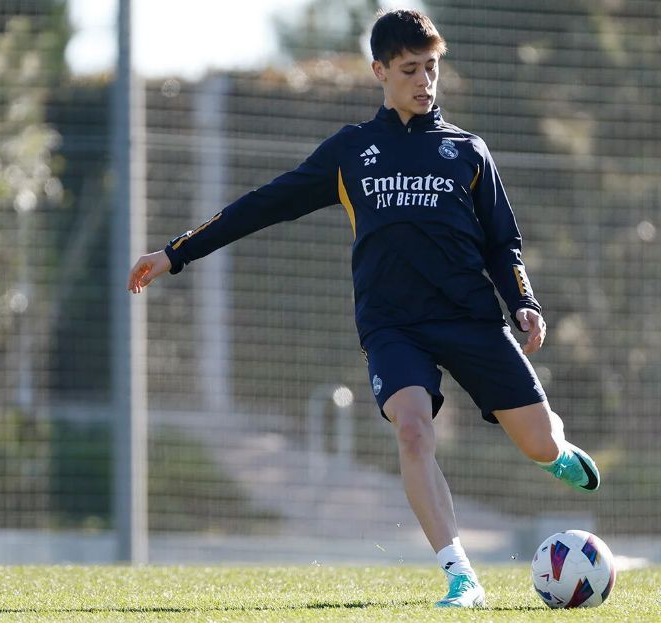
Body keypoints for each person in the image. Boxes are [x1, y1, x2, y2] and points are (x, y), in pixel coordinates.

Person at [127, 8, 599, 608]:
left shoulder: (468, 152)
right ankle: (462, 577)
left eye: (431, 67)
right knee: (413, 430)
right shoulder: (352, 151)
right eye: (410, 69)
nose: (425, 81)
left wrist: (524, 302)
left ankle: (556, 452)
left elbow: (502, 242)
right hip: (393, 327)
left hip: (471, 320)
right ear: (379, 71)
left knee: (537, 443)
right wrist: (176, 253)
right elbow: (264, 203)